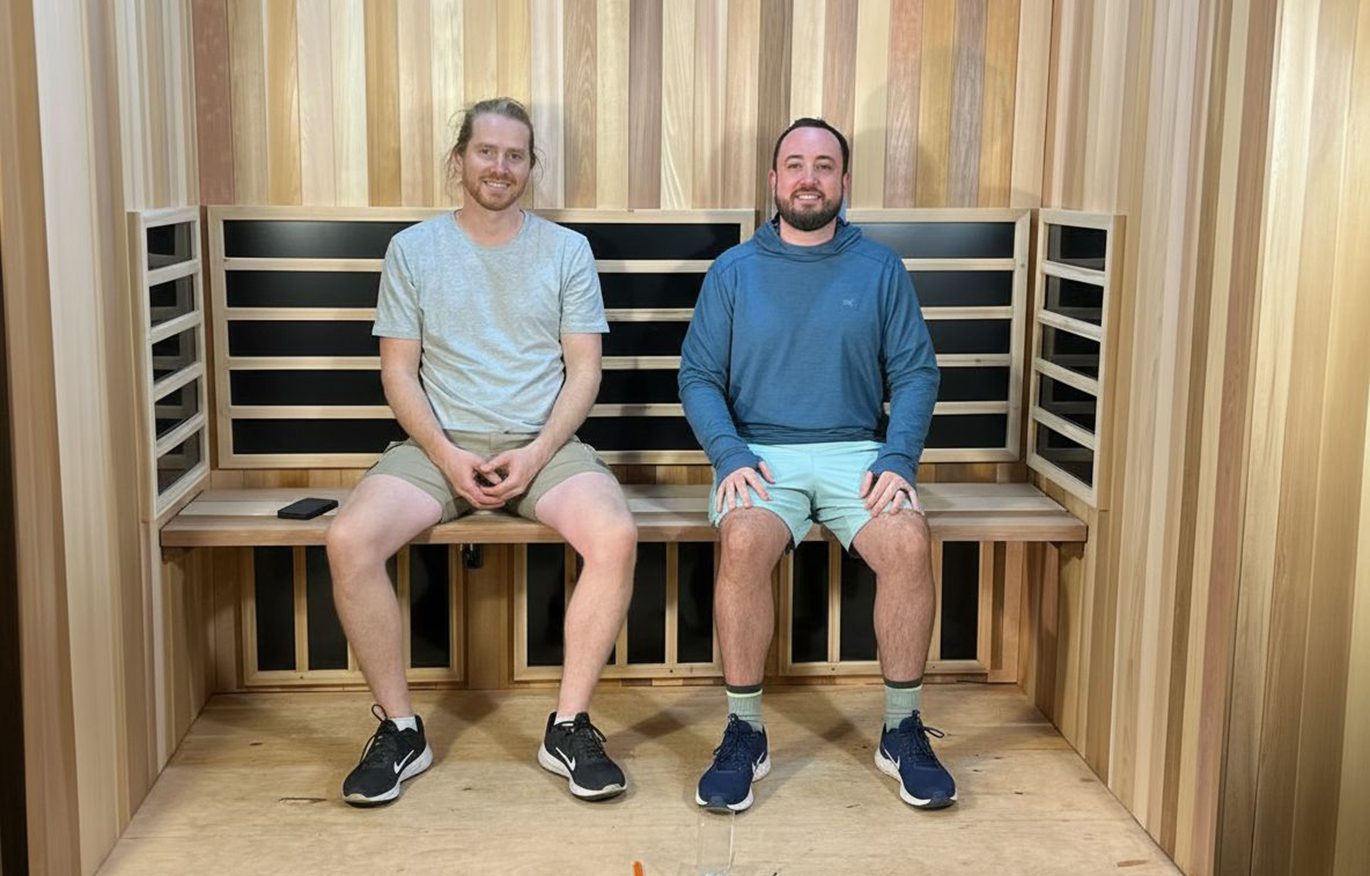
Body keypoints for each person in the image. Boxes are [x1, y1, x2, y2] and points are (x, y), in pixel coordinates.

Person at [325, 97, 637, 807]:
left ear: (531, 166)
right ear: (459, 159)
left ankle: (569, 727)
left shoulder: (566, 251)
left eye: (515, 155)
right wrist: (445, 455)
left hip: (542, 445)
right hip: (437, 444)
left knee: (616, 536)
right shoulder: (413, 249)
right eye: (487, 151)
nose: (500, 166)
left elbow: (584, 370)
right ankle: (401, 730)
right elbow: (398, 372)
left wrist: (535, 453)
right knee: (348, 540)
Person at [678, 117, 955, 812]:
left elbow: (916, 373)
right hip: (759, 455)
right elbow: (699, 376)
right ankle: (744, 731)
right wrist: (729, 454)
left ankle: (901, 730)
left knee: (908, 540)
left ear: (844, 181)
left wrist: (898, 458)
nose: (809, 178)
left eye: (824, 166)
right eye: (795, 165)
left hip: (856, 452)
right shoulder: (734, 271)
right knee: (743, 539)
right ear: (774, 180)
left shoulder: (880, 269)